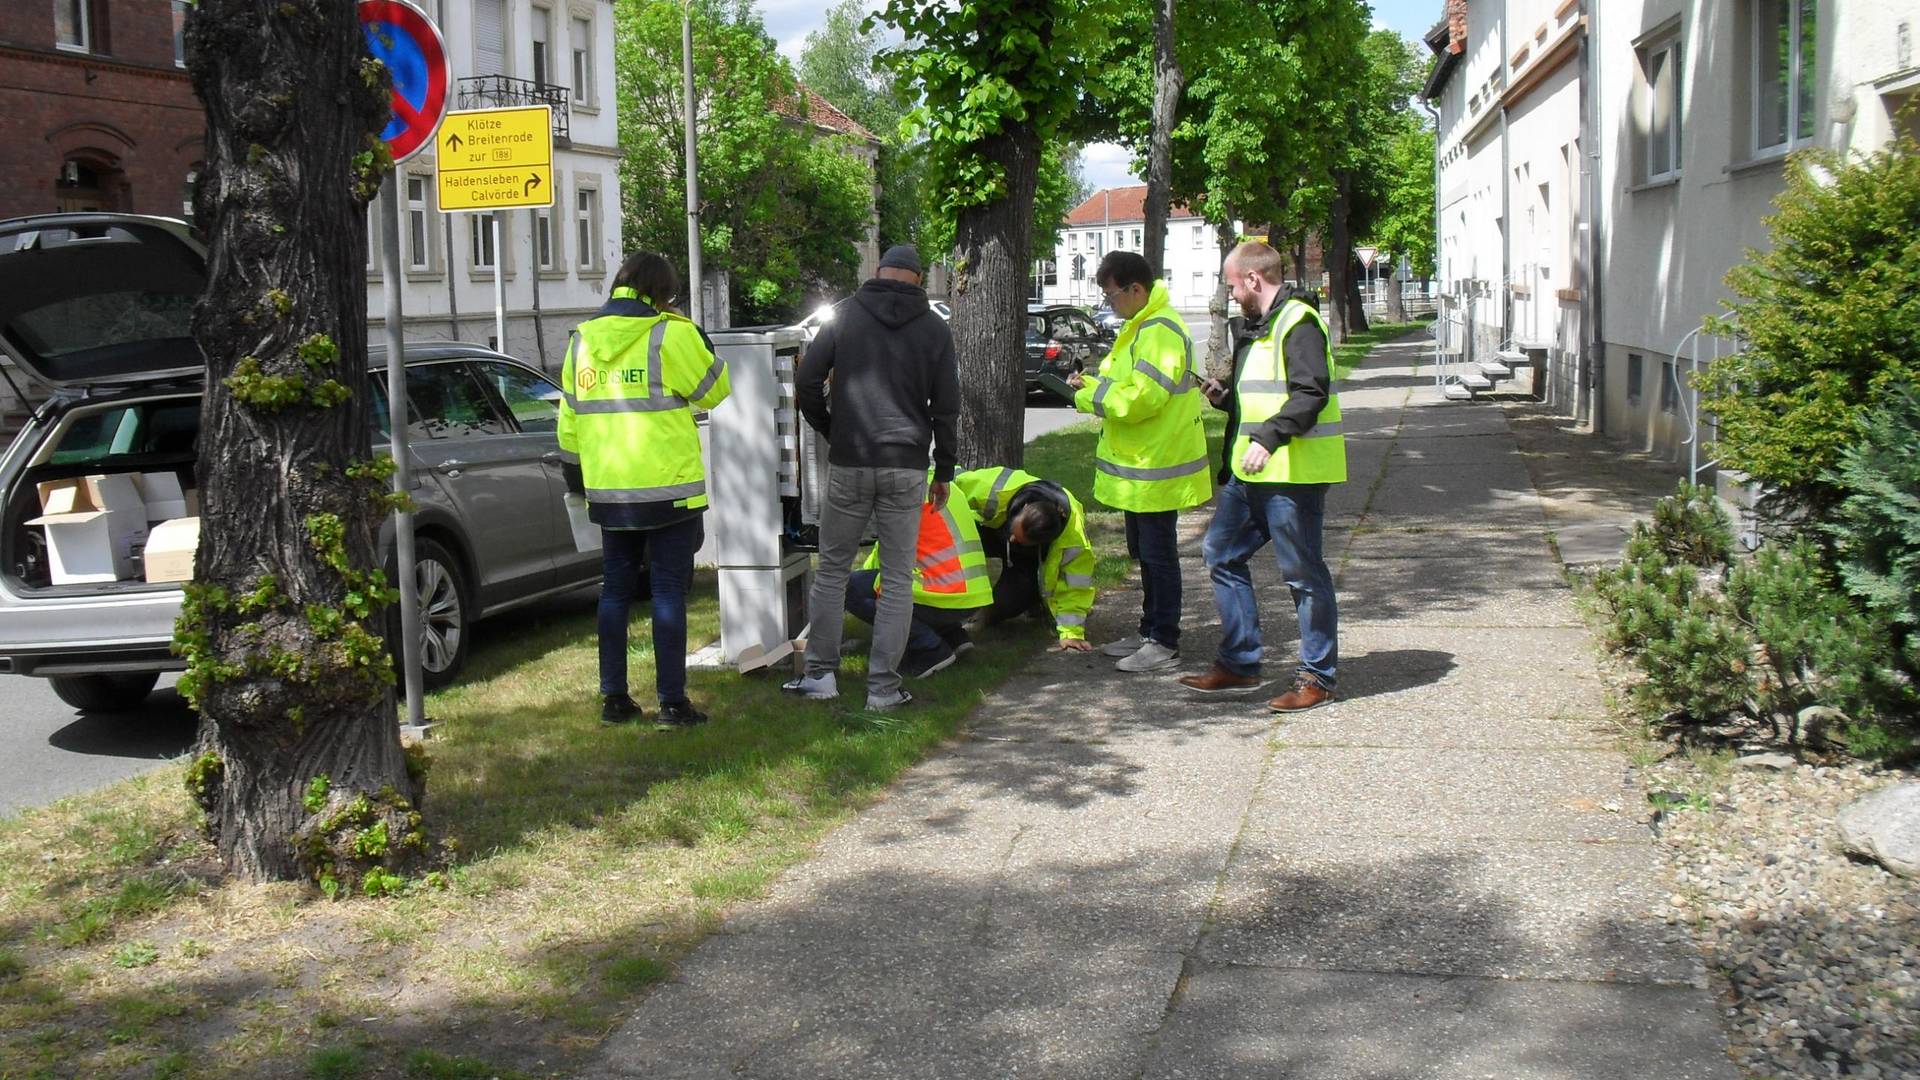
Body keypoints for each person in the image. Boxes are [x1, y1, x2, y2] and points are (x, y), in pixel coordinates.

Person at [559, 251, 731, 729]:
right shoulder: (669, 334)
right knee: (668, 591)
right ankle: (673, 704)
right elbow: (715, 388)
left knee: (615, 591)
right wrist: (695, 331)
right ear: (663, 294)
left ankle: (614, 699)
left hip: (610, 490)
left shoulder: (581, 342)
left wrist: (579, 482)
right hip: (668, 488)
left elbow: (568, 426)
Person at [786, 244, 961, 711]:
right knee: (899, 578)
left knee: (833, 571)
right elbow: (946, 406)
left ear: (877, 272)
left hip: (851, 459)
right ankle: (883, 687)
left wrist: (830, 428)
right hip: (906, 464)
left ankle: (820, 676)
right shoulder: (934, 328)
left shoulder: (845, 316)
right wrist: (943, 469)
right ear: (919, 280)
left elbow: (806, 383)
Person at [1177, 240, 1346, 712]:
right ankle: (1240, 663)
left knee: (1303, 574)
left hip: (1292, 473)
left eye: (1233, 284)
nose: (1230, 294)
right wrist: (1224, 397)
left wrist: (1268, 438)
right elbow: (1261, 397)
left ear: (1253, 279)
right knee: (1221, 552)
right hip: (1250, 471)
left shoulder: (1298, 323)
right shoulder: (1259, 327)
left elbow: (1309, 394)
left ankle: (1318, 678)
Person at [1066, 251, 1210, 672]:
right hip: (1143, 464)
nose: (1109, 303)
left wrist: (1086, 396)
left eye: (1111, 295)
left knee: (1158, 554)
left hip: (1158, 463)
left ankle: (1164, 640)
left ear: (1136, 290)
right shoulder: (1139, 326)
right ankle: (1150, 630)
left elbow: (1143, 398)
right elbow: (1125, 387)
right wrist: (1091, 384)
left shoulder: (1159, 330)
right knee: (1146, 553)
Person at [843, 477, 994, 682]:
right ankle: (953, 636)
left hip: (945, 596)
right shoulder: (939, 481)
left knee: (848, 587)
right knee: (890, 582)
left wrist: (866, 590)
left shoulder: (901, 490)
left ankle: (929, 649)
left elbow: (889, 550)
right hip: (973, 594)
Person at [952, 466, 1095, 651]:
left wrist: (1072, 633)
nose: (1012, 539)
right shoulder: (992, 488)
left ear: (1044, 543)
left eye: (1019, 540)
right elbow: (952, 482)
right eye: (1014, 531)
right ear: (1025, 507)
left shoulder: (1073, 541)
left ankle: (1025, 601)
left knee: (1008, 603)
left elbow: (1076, 587)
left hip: (1025, 558)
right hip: (988, 528)